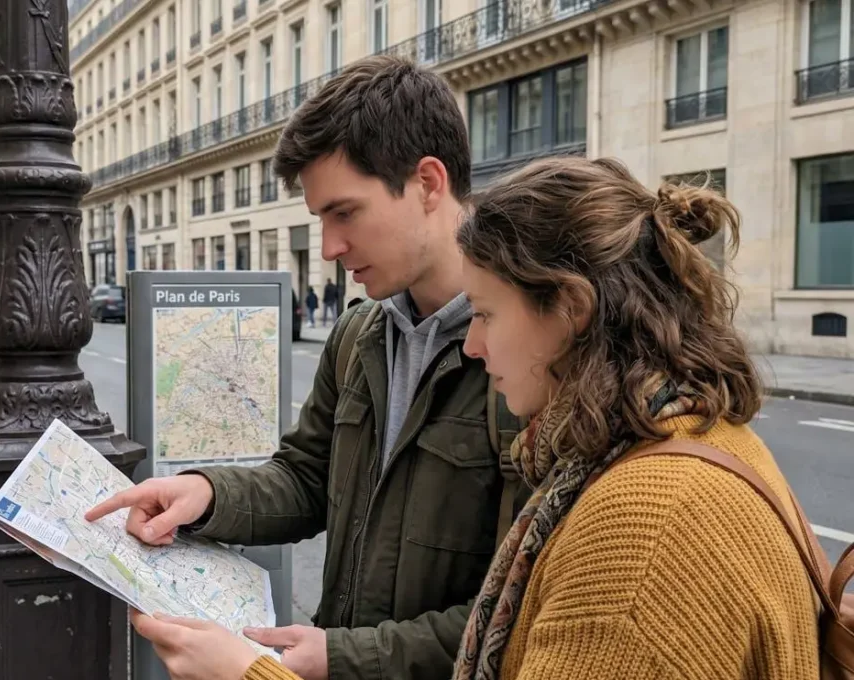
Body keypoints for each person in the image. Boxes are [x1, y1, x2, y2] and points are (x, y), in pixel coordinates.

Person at [136, 157, 834, 680]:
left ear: (569, 310)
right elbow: (310, 476)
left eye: (490, 315)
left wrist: (250, 673)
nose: (473, 343)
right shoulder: (677, 439)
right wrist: (213, 493)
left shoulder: (646, 526)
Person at [87, 54, 526, 680]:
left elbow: (522, 608)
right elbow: (308, 478)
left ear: (429, 183)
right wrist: (206, 494)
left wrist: (340, 658)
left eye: (345, 213)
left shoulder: (529, 355)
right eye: (320, 220)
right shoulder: (358, 333)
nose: (329, 248)